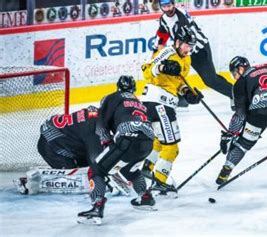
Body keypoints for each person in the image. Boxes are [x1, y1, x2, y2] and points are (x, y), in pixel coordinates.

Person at [77, 75, 155, 225]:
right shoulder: (139, 103)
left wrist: (106, 142)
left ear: (118, 87)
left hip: (128, 138)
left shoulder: (112, 97)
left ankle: (97, 208)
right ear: (133, 89)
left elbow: (101, 123)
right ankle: (145, 197)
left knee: (96, 170)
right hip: (148, 142)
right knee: (129, 169)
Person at [140, 24, 203, 197]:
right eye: (186, 45)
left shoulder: (186, 59)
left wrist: (188, 93)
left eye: (191, 47)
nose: (188, 49)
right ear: (177, 42)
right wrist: (163, 67)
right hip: (158, 102)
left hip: (163, 103)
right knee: (172, 147)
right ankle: (159, 181)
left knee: (160, 142)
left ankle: (147, 168)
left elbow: (178, 83)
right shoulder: (168, 52)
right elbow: (146, 70)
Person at [216, 56, 267, 185]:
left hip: (259, 111)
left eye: (234, 73)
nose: (234, 77)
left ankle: (226, 170)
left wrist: (230, 134)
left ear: (241, 68)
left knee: (244, 143)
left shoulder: (240, 83)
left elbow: (240, 114)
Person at [14, 106, 105, 195]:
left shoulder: (95, 114)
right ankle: (28, 182)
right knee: (74, 179)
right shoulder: (95, 127)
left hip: (59, 140)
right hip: (51, 146)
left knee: (86, 167)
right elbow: (96, 159)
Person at [152, 0, 233, 100]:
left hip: (198, 50)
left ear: (173, 4)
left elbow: (186, 37)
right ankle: (179, 99)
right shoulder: (163, 19)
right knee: (169, 71)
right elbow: (162, 34)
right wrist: (157, 52)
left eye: (169, 5)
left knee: (210, 80)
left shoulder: (181, 14)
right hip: (184, 51)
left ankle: (236, 96)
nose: (167, 9)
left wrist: (169, 52)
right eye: (164, 7)